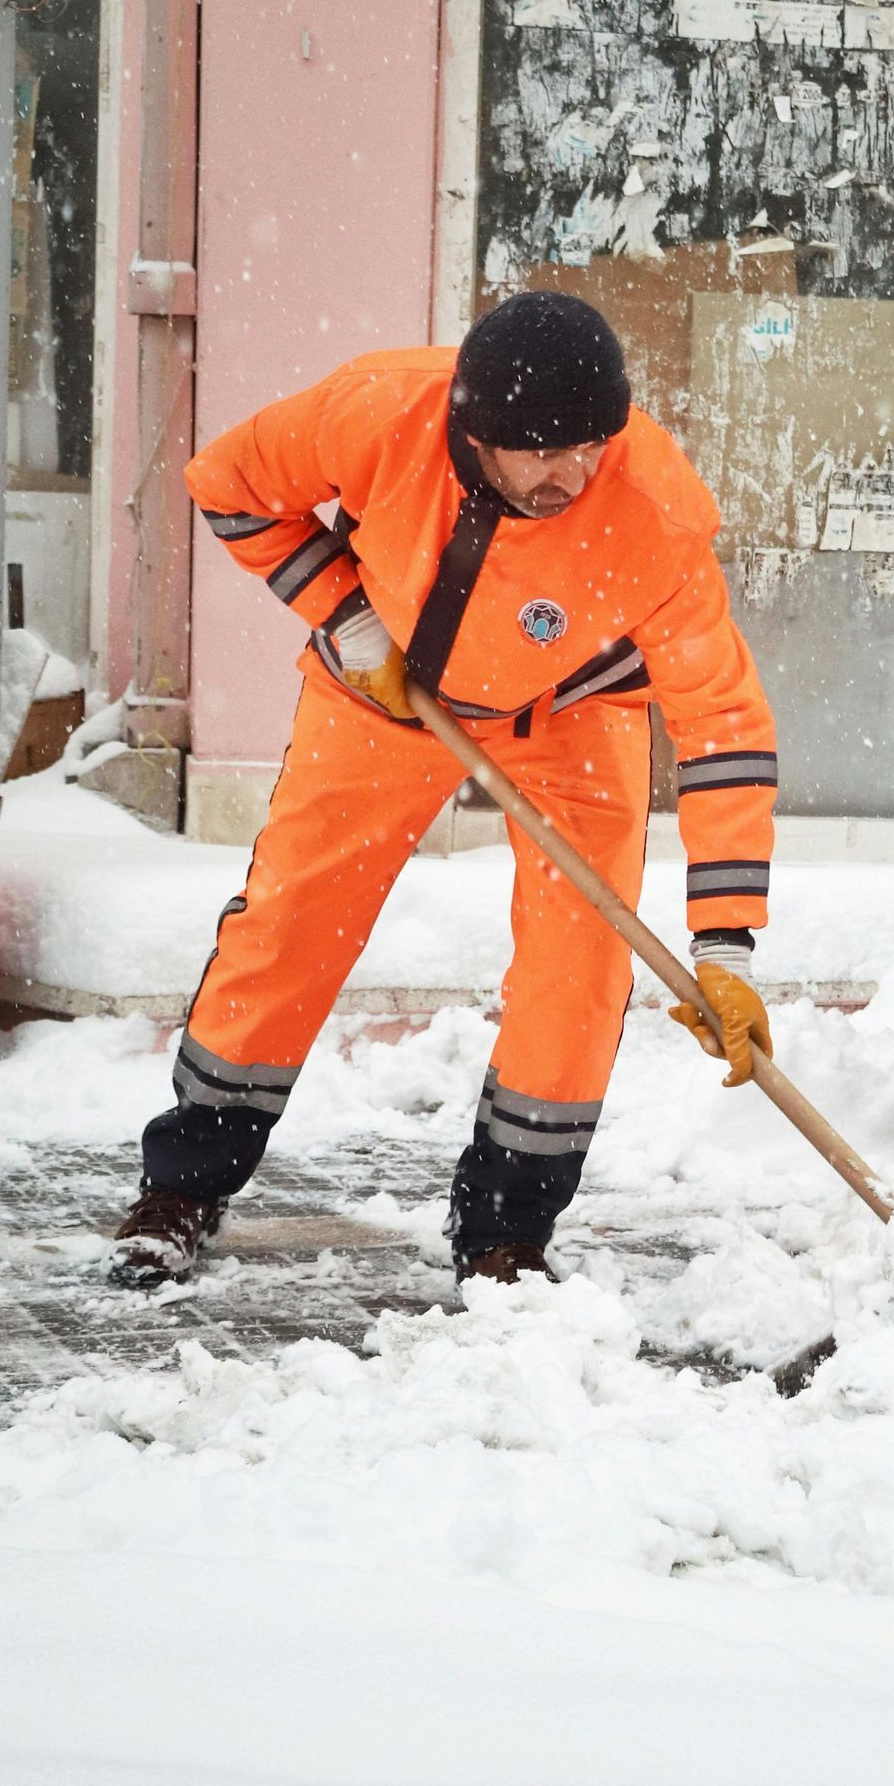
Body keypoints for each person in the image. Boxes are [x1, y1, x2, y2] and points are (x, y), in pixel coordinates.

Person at [108, 291, 777, 1289]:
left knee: (580, 965)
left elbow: (722, 726)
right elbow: (230, 486)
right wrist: (346, 615)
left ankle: (507, 1232)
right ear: (479, 435)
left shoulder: (654, 510)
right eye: (546, 453)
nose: (576, 472)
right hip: (384, 693)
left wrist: (725, 943)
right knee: (292, 921)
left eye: (593, 444)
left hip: (573, 716)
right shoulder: (379, 411)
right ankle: (184, 1187)